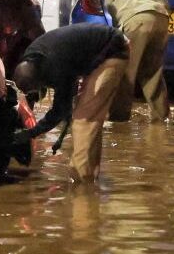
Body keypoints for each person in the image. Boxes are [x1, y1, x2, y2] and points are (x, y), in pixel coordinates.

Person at [11, 24, 129, 183]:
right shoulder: (34, 58)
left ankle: (81, 181)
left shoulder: (55, 64)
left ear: (39, 79)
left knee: (84, 120)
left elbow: (59, 110)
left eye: (35, 89)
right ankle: (89, 175)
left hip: (112, 50)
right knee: (89, 116)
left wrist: (32, 132)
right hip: (103, 49)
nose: (38, 92)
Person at [104, 0, 170, 122]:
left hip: (136, 17)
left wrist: (118, 23)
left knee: (125, 71)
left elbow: (109, 0)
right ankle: (161, 118)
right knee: (153, 72)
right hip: (162, 19)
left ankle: (118, 121)